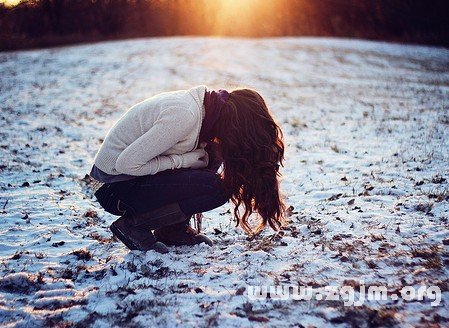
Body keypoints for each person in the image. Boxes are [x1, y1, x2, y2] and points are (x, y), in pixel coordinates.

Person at [89, 85, 286, 253]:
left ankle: (171, 232)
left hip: (127, 182)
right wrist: (183, 161)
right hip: (115, 188)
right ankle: (133, 226)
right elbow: (127, 164)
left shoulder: (205, 111)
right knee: (216, 188)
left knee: (211, 158)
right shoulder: (184, 114)